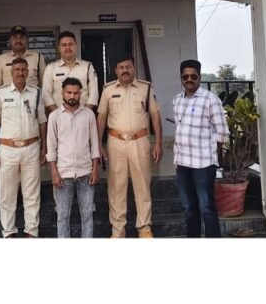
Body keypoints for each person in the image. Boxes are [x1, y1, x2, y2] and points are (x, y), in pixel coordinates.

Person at [97, 56, 162, 238]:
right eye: (121, 67)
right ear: (116, 71)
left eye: (128, 66)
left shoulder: (145, 88)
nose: (125, 70)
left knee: (142, 185)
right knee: (116, 187)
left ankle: (144, 228)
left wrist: (158, 143)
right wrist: (98, 145)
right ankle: (118, 230)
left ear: (134, 68)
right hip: (115, 142)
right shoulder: (108, 89)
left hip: (139, 141)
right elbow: (101, 118)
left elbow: (155, 115)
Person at [0, 58, 47, 238]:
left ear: (28, 72)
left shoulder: (36, 93)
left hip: (31, 148)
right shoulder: (1, 93)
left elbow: (42, 122)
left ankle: (31, 231)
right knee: (7, 194)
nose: (20, 73)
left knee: (32, 193)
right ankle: (8, 232)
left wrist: (44, 148)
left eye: (23, 70)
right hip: (8, 150)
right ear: (11, 72)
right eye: (17, 70)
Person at [172, 59, 229, 238]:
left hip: (203, 164)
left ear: (199, 77)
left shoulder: (210, 99)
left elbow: (222, 132)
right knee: (189, 209)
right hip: (182, 163)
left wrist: (214, 156)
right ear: (181, 78)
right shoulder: (177, 100)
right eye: (185, 77)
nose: (189, 80)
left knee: (206, 208)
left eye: (193, 76)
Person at [46, 77, 101, 238]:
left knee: (87, 215)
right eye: (69, 92)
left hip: (86, 172)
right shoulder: (54, 116)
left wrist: (95, 170)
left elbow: (94, 144)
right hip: (63, 173)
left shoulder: (89, 115)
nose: (72, 96)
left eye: (76, 93)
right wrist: (54, 172)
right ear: (62, 93)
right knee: (62, 216)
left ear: (80, 93)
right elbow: (51, 146)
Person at [42, 31, 99, 115]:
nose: (68, 47)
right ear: (59, 48)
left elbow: (94, 93)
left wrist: (85, 114)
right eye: (64, 45)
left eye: (70, 44)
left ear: (76, 46)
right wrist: (58, 115)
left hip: (83, 116)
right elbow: (46, 94)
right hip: (58, 117)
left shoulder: (87, 67)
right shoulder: (51, 68)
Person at [0, 25, 46, 91]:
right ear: (10, 40)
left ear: (26, 40)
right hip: (8, 97)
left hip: (32, 96)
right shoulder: (1, 59)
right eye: (15, 37)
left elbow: (45, 85)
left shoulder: (37, 57)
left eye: (22, 38)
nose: (18, 41)